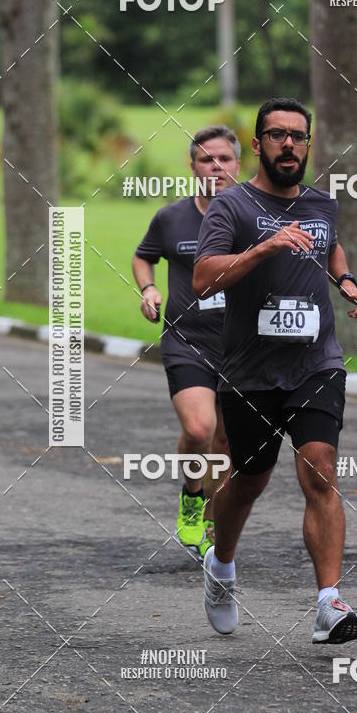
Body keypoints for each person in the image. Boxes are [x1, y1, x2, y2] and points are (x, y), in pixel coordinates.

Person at [193, 97, 357, 643]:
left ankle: (328, 604)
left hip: (316, 361)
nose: (288, 145)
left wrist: (345, 281)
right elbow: (202, 278)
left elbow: (329, 246)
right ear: (258, 143)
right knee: (249, 481)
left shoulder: (322, 203)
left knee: (319, 466)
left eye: (298, 136)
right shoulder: (233, 207)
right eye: (277, 135)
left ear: (308, 144)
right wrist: (262, 250)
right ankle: (221, 566)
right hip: (250, 371)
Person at [132, 125, 240, 560]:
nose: (215, 167)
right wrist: (148, 289)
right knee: (200, 428)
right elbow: (144, 256)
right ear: (192, 166)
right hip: (186, 339)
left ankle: (214, 527)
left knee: (228, 443)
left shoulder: (253, 215)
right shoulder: (171, 217)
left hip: (242, 345)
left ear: (238, 164)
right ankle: (192, 497)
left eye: (224, 159)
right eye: (205, 160)